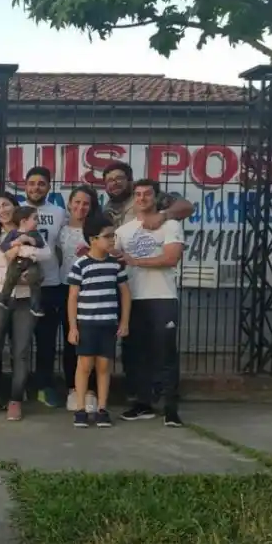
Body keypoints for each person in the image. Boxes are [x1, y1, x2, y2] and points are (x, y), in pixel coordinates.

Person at [101, 161, 194, 401]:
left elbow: (186, 206)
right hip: (129, 289)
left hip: (160, 291)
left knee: (162, 348)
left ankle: (167, 399)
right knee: (133, 348)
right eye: (110, 180)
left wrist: (164, 215)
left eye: (120, 178)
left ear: (130, 181)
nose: (115, 183)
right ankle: (140, 397)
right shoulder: (107, 210)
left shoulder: (152, 199)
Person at [0, 193, 54, 420]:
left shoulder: (32, 232)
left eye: (6, 205)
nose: (2, 210)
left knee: (20, 352)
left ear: (15, 207)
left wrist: (25, 248)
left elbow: (44, 255)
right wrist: (10, 278)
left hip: (25, 299)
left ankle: (15, 400)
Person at [115, 179, 185, 427]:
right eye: (138, 194)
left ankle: (171, 409)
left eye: (147, 194)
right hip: (132, 300)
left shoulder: (170, 224)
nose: (142, 198)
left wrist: (136, 261)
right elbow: (114, 258)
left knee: (165, 354)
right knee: (135, 355)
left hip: (162, 298)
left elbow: (171, 258)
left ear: (156, 198)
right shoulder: (123, 231)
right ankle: (142, 404)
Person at [67, 213, 131, 428]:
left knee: (104, 366)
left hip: (108, 324)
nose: (113, 240)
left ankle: (102, 408)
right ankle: (80, 409)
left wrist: (124, 322)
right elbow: (73, 297)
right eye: (108, 236)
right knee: (84, 366)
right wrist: (73, 327)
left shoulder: (115, 265)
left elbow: (125, 293)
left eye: (113, 235)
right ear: (93, 239)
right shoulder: (81, 265)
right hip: (87, 324)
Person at [20, 167, 67, 408]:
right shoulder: (17, 210)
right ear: (24, 186)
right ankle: (18, 386)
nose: (36, 187)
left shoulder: (59, 212)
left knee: (47, 341)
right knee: (19, 340)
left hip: (50, 284)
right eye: (32, 183)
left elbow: (62, 245)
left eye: (41, 183)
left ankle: (43, 385)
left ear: (49, 187)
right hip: (22, 285)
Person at [57, 185, 101, 412]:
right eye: (77, 202)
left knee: (91, 342)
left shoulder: (97, 231)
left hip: (93, 292)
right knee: (71, 341)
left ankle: (91, 390)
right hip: (68, 290)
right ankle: (73, 389)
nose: (81, 207)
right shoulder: (62, 231)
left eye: (86, 203)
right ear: (70, 204)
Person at [0, 206, 45, 315]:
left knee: (34, 280)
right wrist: (14, 243)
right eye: (35, 218)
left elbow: (41, 244)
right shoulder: (13, 233)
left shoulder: (35, 233)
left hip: (31, 263)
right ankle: (4, 300)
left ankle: (35, 306)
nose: (38, 222)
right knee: (10, 278)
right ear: (24, 221)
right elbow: (4, 246)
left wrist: (30, 240)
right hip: (17, 262)